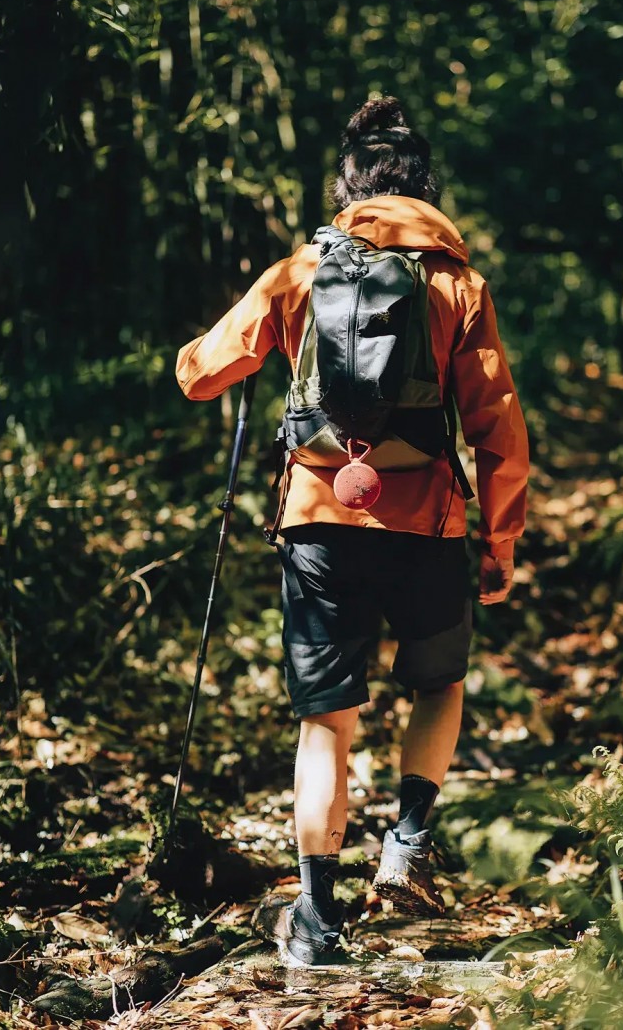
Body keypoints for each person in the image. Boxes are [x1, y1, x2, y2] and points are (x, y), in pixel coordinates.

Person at [176, 96, 529, 966]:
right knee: (437, 683)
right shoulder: (459, 284)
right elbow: (499, 431)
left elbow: (200, 374)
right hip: (433, 523)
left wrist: (209, 352)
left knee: (328, 722)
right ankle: (405, 843)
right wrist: (502, 542)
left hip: (320, 522)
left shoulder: (299, 272)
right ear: (425, 189)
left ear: (348, 189)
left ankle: (319, 920)